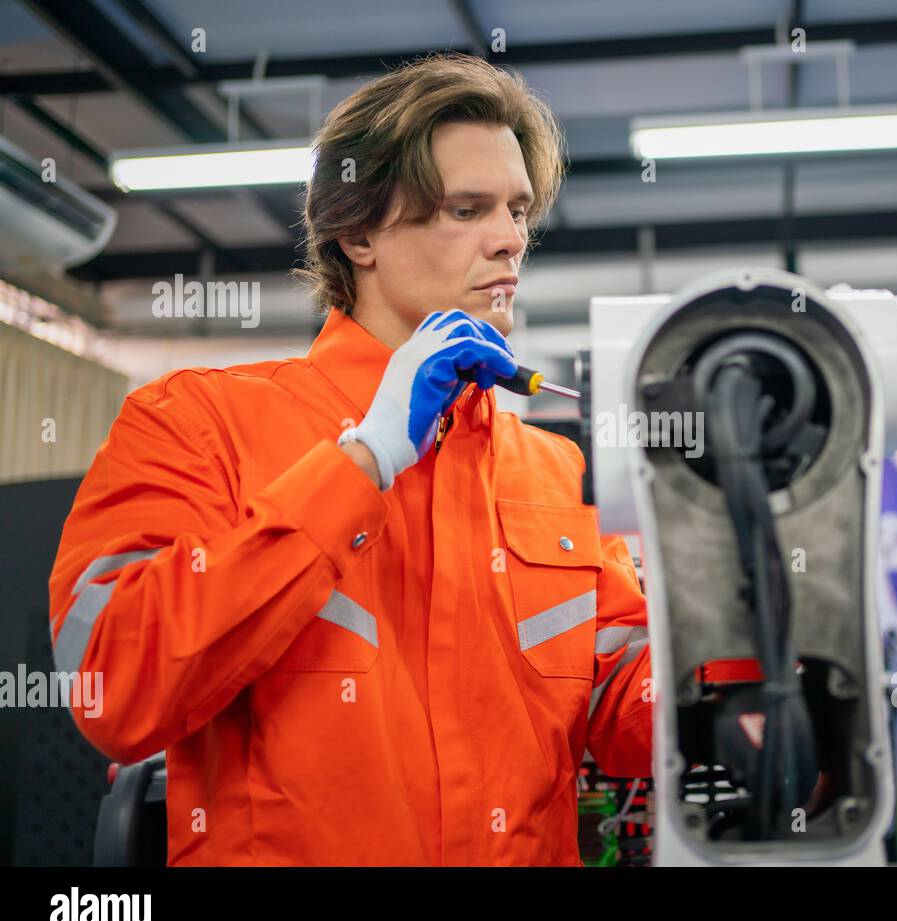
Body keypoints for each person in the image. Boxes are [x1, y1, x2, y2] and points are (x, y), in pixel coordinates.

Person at [47, 52, 652, 866]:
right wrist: (360, 463)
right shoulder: (197, 421)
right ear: (357, 231)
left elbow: (628, 711)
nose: (510, 241)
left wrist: (752, 623)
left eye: (518, 210)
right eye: (466, 209)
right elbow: (113, 686)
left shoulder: (554, 472)